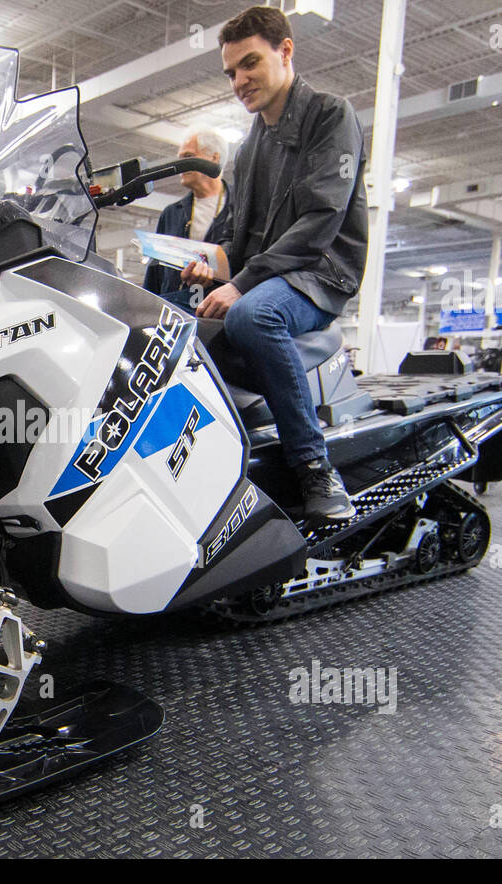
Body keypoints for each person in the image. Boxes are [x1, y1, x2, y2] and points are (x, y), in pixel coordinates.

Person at [178, 5, 367, 520]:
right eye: (231, 72)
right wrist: (212, 266)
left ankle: (313, 466)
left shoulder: (330, 115)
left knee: (251, 316)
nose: (239, 80)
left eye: (250, 64)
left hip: (320, 273)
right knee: (169, 324)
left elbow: (321, 221)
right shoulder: (247, 150)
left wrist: (240, 285)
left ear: (285, 51)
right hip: (269, 274)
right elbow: (240, 238)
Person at [143, 130, 233, 297]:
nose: (181, 165)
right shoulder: (171, 214)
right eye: (180, 158)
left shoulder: (239, 207)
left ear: (214, 158)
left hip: (219, 311)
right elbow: (154, 274)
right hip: (175, 310)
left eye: (188, 156)